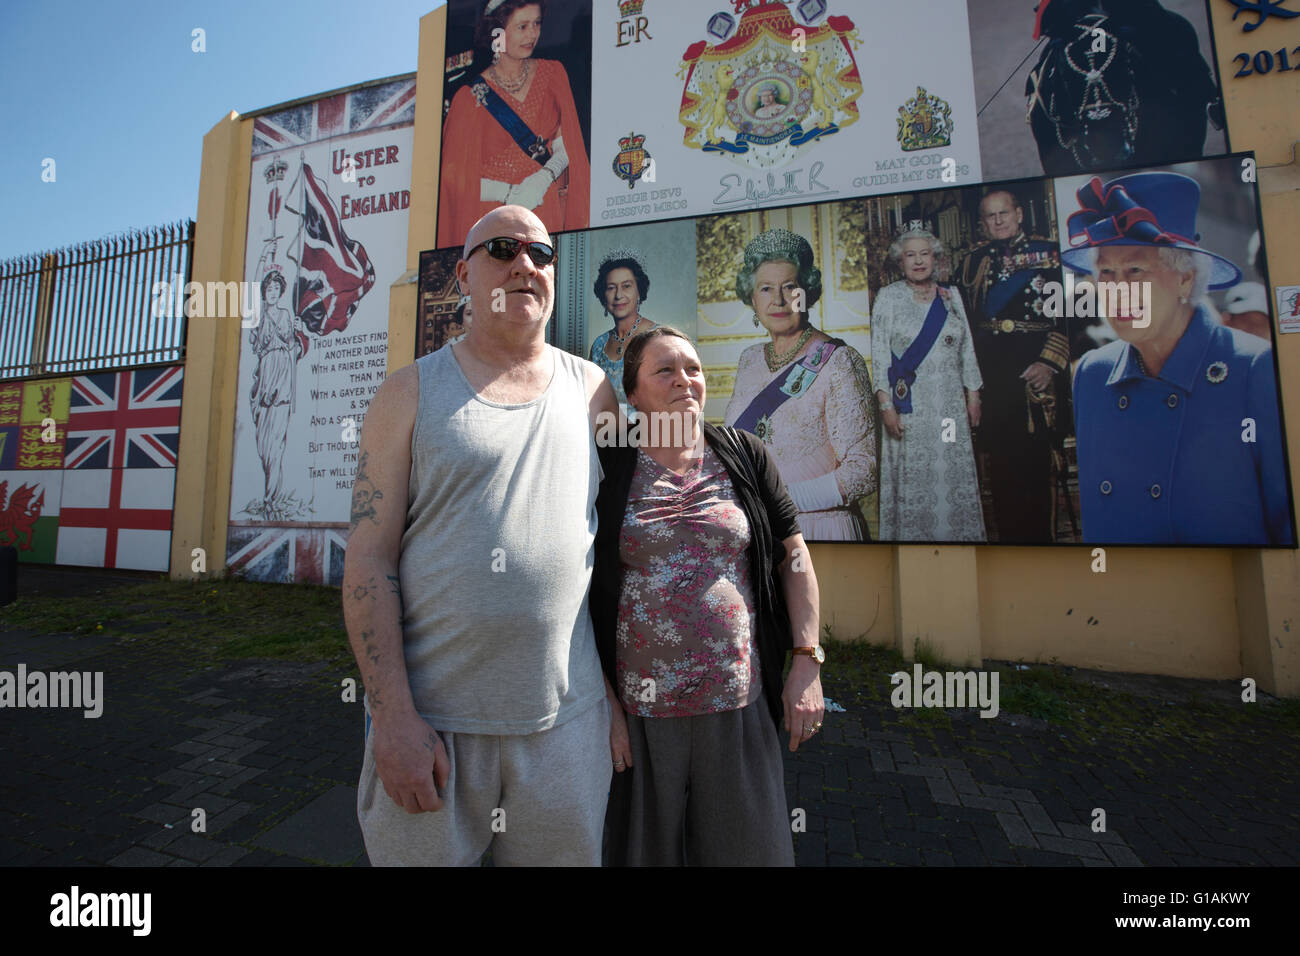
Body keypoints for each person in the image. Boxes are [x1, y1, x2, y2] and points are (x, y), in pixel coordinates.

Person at [345, 204, 620, 865]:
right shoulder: (407, 394)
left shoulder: (594, 391)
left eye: (541, 253)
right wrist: (393, 718)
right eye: (504, 248)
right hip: (436, 732)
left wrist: (611, 694)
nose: (526, 263)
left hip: (565, 732)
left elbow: (617, 550)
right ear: (465, 277)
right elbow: (367, 563)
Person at [591, 326, 825, 866]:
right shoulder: (608, 467)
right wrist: (601, 702)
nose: (684, 381)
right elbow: (576, 591)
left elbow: (794, 555)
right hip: (642, 714)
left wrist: (806, 660)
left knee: (750, 853)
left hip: (737, 705)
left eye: (693, 368)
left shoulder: (743, 454)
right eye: (665, 370)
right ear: (633, 394)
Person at [1065, 171, 1292, 545]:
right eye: (1106, 271)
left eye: (1135, 270)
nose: (1117, 290)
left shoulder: (1253, 368)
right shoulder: (1092, 373)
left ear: (1186, 279)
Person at [723, 228, 877, 541]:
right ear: (752, 298)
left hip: (820, 529)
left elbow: (864, 472)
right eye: (766, 289)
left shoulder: (840, 360)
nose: (778, 299)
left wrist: (777, 501)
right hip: (761, 531)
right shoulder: (749, 360)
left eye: (789, 287)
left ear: (806, 291)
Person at [956, 190, 1067, 542]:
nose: (998, 220)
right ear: (983, 223)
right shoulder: (973, 263)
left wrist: (1049, 363)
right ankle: (1009, 544)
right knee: (1000, 469)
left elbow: (1066, 316)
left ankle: (1041, 545)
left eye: (1004, 213)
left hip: (1033, 372)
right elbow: (964, 322)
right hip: (991, 377)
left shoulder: (1048, 256)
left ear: (1019, 213)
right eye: (990, 216)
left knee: (1036, 466)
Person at [436, 0, 590, 249]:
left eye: (537, 24)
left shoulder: (553, 74)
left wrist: (543, 178)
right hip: (495, 217)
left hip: (546, 204)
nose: (532, 34)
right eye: (523, 26)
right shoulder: (468, 99)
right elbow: (455, 179)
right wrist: (507, 193)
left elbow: (567, 146)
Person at [872, 226, 985, 542]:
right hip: (909, 410)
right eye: (911, 255)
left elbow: (968, 350)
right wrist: (885, 406)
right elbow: (880, 355)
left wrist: (973, 395)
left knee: (950, 467)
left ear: (935, 259)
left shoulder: (952, 297)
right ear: (901, 261)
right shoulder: (889, 298)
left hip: (949, 411)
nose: (919, 261)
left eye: (925, 254)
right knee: (917, 480)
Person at [1027, 0, 1223, 176]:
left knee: (1176, 31)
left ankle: (1207, 97)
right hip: (1074, 8)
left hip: (1117, 6)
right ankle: (1045, 114)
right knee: (1055, 53)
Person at [249, 270, 308, 517]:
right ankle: (268, 491)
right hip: (264, 379)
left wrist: (299, 331)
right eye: (268, 289)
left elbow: (296, 349)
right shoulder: (258, 319)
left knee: (276, 443)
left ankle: (270, 497)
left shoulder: (286, 316)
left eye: (275, 289)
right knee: (263, 446)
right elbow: (254, 346)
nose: (271, 293)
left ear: (280, 292)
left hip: (282, 378)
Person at [588, 248, 656, 408]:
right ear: (603, 295)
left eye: (626, 286)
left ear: (639, 290)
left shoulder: (657, 337)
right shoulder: (599, 345)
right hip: (605, 429)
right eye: (611, 287)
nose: (618, 295)